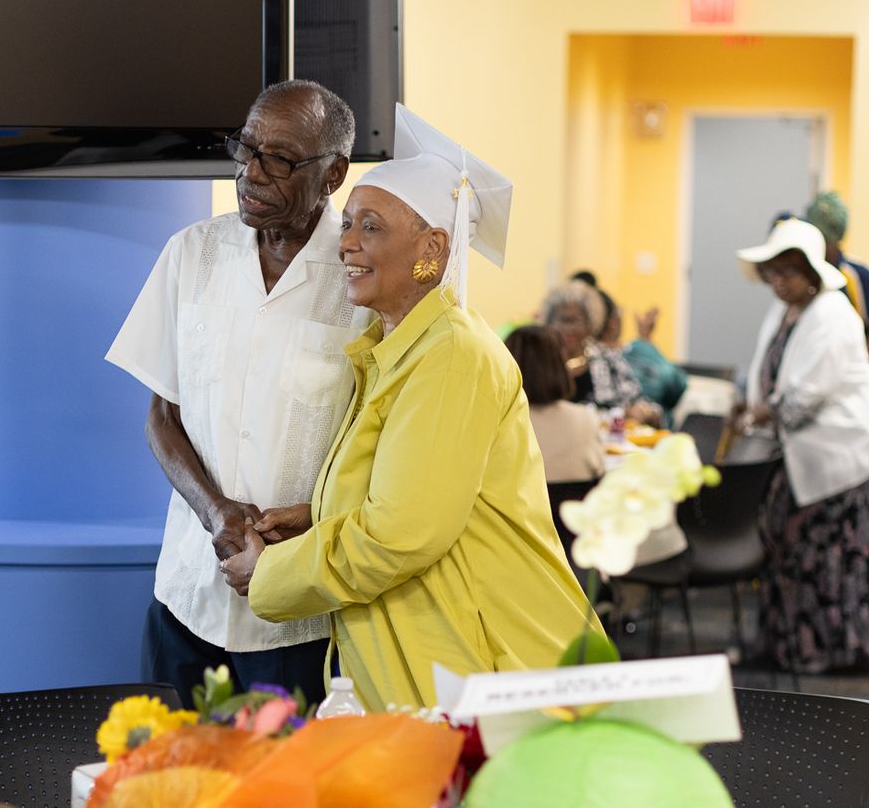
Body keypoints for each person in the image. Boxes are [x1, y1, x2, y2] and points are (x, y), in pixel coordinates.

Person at [221, 107, 596, 708]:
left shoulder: (452, 355)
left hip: (478, 668)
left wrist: (271, 576)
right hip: (424, 663)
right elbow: (410, 496)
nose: (346, 243)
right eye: (347, 224)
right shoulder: (394, 351)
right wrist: (319, 515)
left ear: (432, 248)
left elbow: (400, 534)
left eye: (370, 227)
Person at [107, 80, 368, 702]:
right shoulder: (191, 254)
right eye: (245, 148)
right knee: (176, 787)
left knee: (284, 796)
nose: (250, 173)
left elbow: (381, 443)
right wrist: (214, 510)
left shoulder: (362, 278)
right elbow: (161, 417)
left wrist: (321, 515)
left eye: (278, 159)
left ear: (333, 174)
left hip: (302, 617)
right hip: (186, 595)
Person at [731, 217, 869, 672]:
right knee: (798, 548)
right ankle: (794, 645)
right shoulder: (785, 311)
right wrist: (751, 403)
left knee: (843, 552)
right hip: (816, 453)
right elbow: (766, 373)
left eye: (789, 271)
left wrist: (757, 413)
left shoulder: (832, 314)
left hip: (856, 451)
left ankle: (840, 649)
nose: (778, 280)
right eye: (773, 271)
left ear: (813, 273)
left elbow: (804, 399)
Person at [540, 279, 661, 424]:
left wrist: (642, 411)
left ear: (590, 323)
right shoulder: (540, 362)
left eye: (576, 321)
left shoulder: (609, 360)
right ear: (549, 322)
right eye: (563, 320)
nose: (569, 329)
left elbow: (639, 401)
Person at [802, 191, 869, 372]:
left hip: (858, 376)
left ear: (832, 239)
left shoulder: (857, 275)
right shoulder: (808, 274)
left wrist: (853, 366)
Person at [507, 324, 604, 482]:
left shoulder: (503, 424)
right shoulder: (587, 418)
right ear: (560, 365)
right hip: (573, 505)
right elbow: (598, 473)